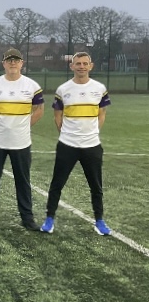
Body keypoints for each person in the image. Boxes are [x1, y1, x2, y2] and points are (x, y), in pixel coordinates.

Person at [40, 52, 112, 235]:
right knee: (57, 184)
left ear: (91, 66)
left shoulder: (99, 88)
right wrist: (67, 134)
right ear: (72, 66)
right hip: (67, 145)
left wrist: (93, 132)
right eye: (78, 63)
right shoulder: (63, 89)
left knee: (96, 186)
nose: (81, 66)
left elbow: (102, 114)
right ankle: (49, 219)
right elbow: (57, 116)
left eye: (85, 63)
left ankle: (99, 221)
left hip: (92, 146)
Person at [0, 48, 44, 230]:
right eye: (9, 60)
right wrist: (0, 124)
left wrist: (24, 125)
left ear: (22, 63)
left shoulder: (32, 86)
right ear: (4, 63)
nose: (13, 63)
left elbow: (39, 110)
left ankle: (27, 218)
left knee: (23, 181)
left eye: (16, 60)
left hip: (21, 142)